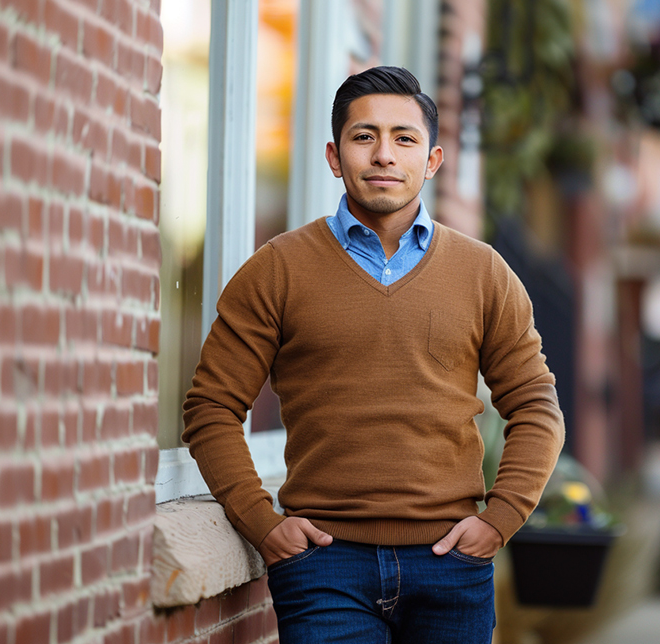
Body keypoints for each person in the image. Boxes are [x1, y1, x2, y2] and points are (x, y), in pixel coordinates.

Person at [182, 66, 564, 643]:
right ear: (335, 157)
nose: (384, 154)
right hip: (325, 567)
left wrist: (502, 518)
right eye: (365, 137)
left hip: (451, 566)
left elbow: (537, 405)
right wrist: (261, 524)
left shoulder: (483, 272)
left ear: (431, 160)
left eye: (404, 139)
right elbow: (210, 407)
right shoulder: (278, 269)